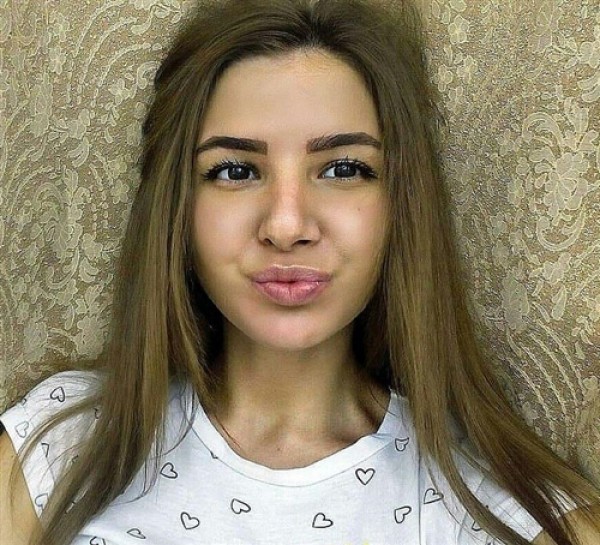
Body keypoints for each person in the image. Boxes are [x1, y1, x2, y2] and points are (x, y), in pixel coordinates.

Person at [1, 0, 599, 543]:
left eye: (343, 169)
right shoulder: (53, 451)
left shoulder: (511, 514)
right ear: (175, 206)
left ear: (402, 202)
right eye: (235, 171)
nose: (286, 226)